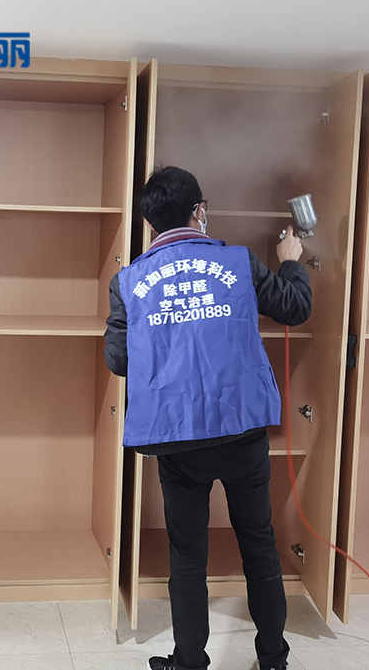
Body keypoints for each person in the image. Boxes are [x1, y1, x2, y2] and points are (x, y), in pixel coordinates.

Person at [104, 166, 311, 670]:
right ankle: (273, 659)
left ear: (149, 222)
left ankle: (190, 662)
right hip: (241, 431)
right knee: (259, 546)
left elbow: (119, 360)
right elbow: (295, 307)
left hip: (177, 440)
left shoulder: (128, 281)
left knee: (187, 556)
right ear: (199, 211)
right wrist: (291, 262)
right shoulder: (239, 262)